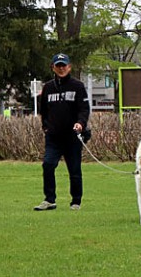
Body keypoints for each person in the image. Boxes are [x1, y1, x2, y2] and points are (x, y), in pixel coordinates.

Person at [34, 53, 90, 211]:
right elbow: (43, 110)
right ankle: (49, 199)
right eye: (58, 65)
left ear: (69, 67)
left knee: (74, 170)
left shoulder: (77, 86)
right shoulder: (48, 87)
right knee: (48, 165)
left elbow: (84, 109)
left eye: (63, 65)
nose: (61, 68)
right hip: (53, 137)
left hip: (72, 136)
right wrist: (45, 126)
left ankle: (76, 201)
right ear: (53, 67)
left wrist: (80, 123)